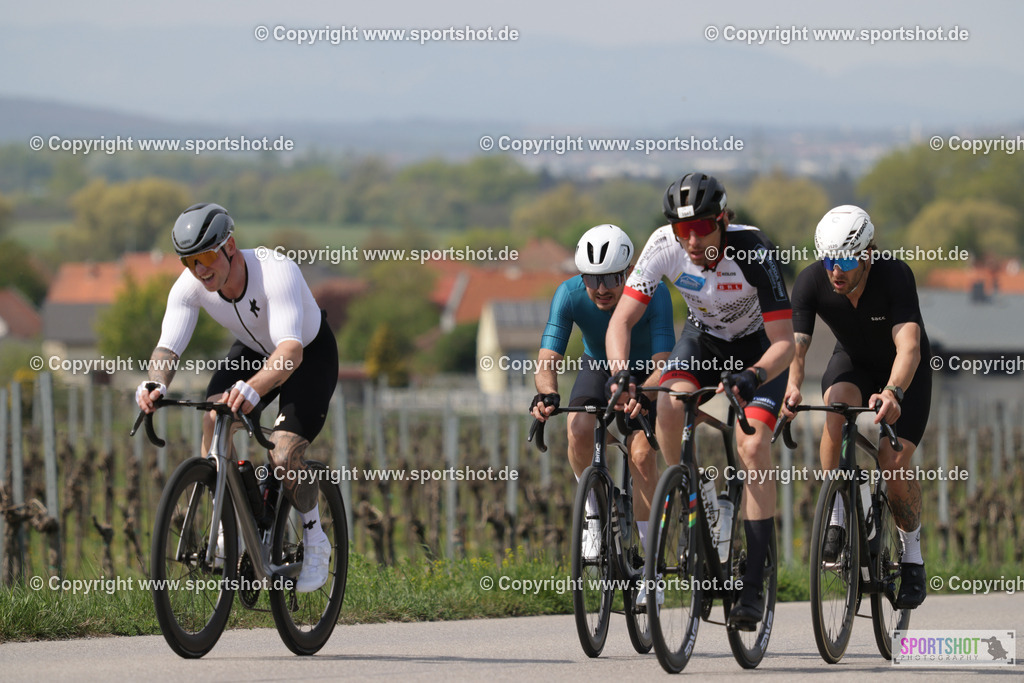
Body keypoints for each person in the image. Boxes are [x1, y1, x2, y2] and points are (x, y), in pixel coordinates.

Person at [606, 172, 794, 629]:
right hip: (705, 341)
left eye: (702, 228)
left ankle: (752, 585)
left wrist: (755, 376)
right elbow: (620, 323)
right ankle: (695, 498)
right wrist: (620, 375)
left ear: (724, 221)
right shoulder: (663, 245)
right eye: (681, 230)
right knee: (670, 404)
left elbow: (785, 342)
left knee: (752, 448)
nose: (691, 240)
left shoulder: (753, 250)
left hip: (758, 353)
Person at [136, 202, 339, 593]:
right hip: (254, 349)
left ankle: (315, 538)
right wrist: (155, 385)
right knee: (213, 416)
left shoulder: (274, 271)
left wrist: (253, 388)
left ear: (230, 246)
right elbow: (167, 349)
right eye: (189, 262)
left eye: (207, 256)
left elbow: (290, 353)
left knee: (283, 453)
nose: (200, 270)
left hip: (306, 353)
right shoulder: (191, 286)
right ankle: (227, 520)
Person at [784, 205, 931, 608]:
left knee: (892, 460)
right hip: (852, 363)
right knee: (835, 407)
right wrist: (793, 387)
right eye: (830, 260)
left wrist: (894, 393)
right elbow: (797, 348)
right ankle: (837, 512)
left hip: (904, 374)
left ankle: (913, 556)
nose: (836, 270)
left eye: (846, 260)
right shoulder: (812, 281)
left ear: (867, 254)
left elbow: (910, 347)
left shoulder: (895, 275)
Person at [530, 224, 674, 605]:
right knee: (577, 426)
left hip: (647, 374)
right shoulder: (569, 294)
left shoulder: (653, 293)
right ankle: (593, 514)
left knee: (642, 455)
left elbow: (664, 363)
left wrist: (643, 392)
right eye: (592, 278)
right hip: (597, 366)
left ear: (628, 272)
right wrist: (547, 393)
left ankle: (652, 567)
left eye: (611, 277)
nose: (602, 288)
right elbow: (547, 359)